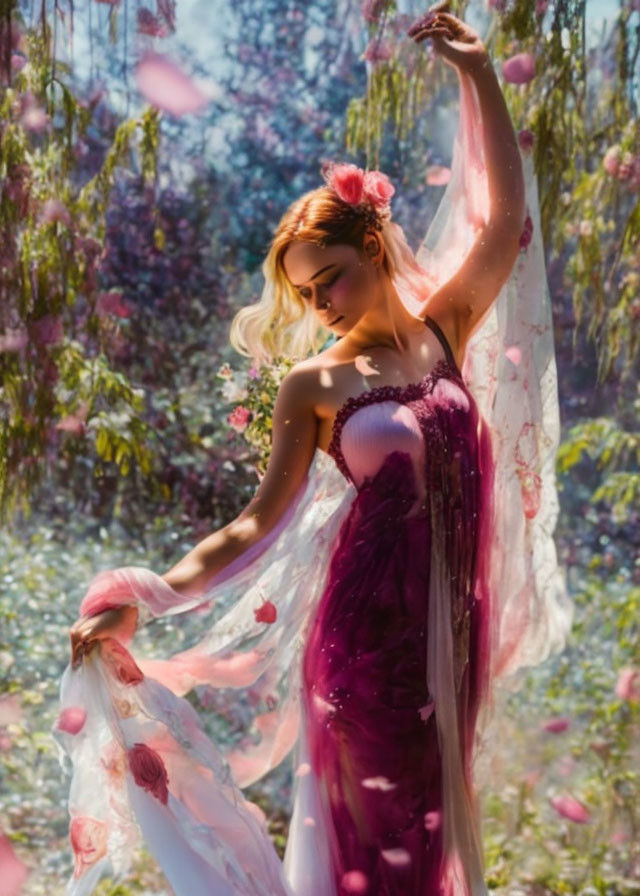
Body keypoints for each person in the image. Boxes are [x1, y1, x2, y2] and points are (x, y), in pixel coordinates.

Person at [58, 7, 572, 896]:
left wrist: (479, 75)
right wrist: (149, 594)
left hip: (447, 634)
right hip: (363, 642)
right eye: (305, 290)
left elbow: (503, 225)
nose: (322, 300)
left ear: (373, 244)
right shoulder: (315, 384)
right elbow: (256, 523)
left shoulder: (442, 330)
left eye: (329, 273)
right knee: (370, 848)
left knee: (426, 836)